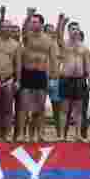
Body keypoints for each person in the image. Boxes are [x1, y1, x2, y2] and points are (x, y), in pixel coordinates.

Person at [18, 9, 57, 142]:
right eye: (31, 22)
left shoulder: (48, 40)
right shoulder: (27, 36)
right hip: (27, 73)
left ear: (41, 24)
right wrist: (28, 16)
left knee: (39, 108)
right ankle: (21, 134)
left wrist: (53, 77)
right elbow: (23, 29)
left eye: (35, 22)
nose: (32, 24)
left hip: (41, 74)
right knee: (24, 107)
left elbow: (53, 59)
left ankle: (38, 134)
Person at [0, 3, 21, 142]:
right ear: (0, 28)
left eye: (8, 27)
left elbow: (18, 64)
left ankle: (6, 134)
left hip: (9, 80)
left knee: (8, 109)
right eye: (3, 27)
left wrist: (18, 81)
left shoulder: (16, 45)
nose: (6, 29)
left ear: (11, 29)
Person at [61, 20, 90, 141]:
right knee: (65, 109)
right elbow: (58, 36)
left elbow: (87, 65)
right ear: (68, 31)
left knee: (78, 109)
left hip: (80, 80)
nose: (75, 31)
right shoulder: (65, 45)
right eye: (73, 29)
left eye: (77, 29)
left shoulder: (84, 47)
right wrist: (62, 23)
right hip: (67, 79)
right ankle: (62, 135)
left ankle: (78, 135)